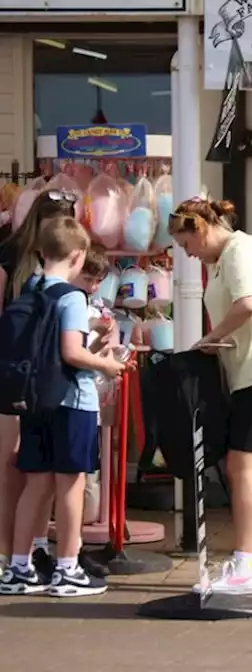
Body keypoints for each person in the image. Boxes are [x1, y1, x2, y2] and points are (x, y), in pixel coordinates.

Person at [170, 198, 252, 595]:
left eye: (185, 243)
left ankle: (244, 564)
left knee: (239, 468)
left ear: (201, 229)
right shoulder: (229, 255)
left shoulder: (238, 251)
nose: (187, 253)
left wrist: (212, 337)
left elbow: (248, 303)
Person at [0, 215, 128, 596]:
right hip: (73, 401)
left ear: (41, 251)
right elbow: (71, 354)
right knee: (70, 484)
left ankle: (19, 567)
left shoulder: (31, 287)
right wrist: (107, 363)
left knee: (36, 484)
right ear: (77, 257)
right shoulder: (72, 297)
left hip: (36, 401)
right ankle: (68, 568)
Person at [0, 189, 77, 574]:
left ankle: (30, 549)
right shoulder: (11, 257)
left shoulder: (30, 264)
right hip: (20, 375)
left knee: (35, 468)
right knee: (17, 469)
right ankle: (13, 555)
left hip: (34, 375)